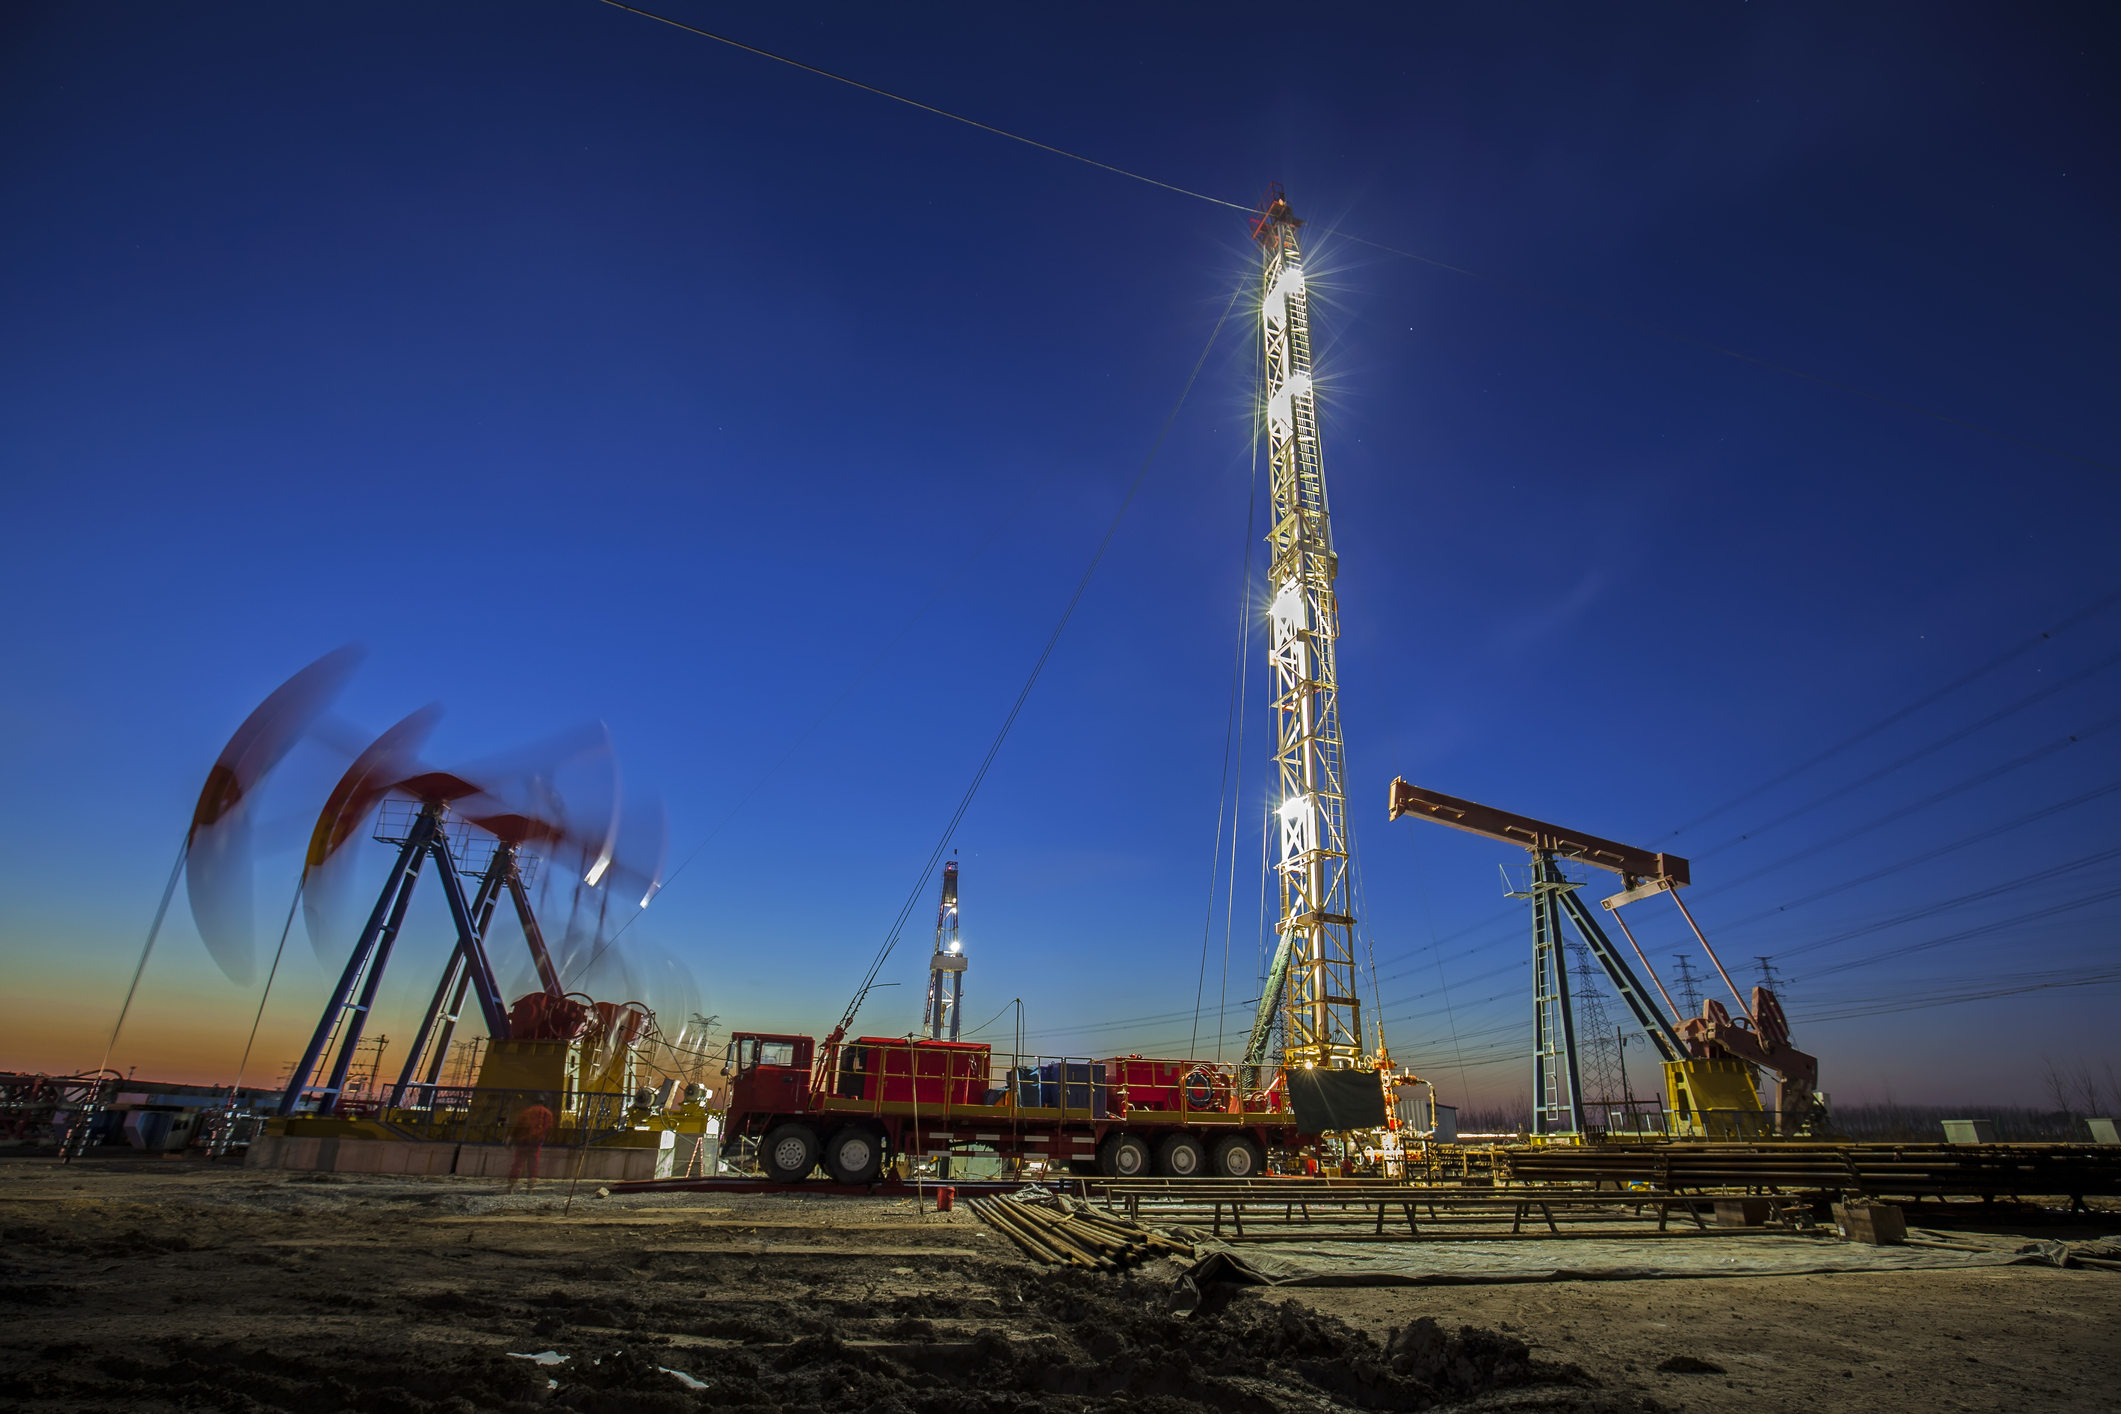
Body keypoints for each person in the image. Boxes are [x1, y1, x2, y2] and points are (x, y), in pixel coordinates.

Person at [507, 1099, 555, 1192]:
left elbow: (518, 1125)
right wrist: (548, 1138)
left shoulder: (527, 1111)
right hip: (536, 1141)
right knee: (533, 1164)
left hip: (523, 1140)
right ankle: (530, 1188)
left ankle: (511, 1186)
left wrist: (511, 1136)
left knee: (517, 1163)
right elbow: (549, 1128)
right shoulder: (547, 1113)